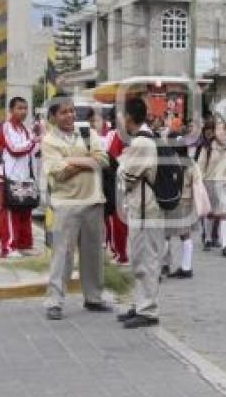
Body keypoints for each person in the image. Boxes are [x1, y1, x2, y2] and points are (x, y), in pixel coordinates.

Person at [41, 93, 111, 321]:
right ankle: (54, 301)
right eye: (64, 112)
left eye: (71, 110)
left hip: (93, 201)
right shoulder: (49, 141)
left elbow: (103, 160)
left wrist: (72, 160)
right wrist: (86, 160)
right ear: (53, 116)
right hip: (66, 205)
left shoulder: (87, 133)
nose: (70, 115)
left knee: (93, 254)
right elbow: (59, 173)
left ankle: (93, 298)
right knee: (63, 254)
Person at [115, 98, 163, 329]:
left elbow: (127, 176)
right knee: (138, 258)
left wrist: (122, 164)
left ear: (130, 117)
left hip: (146, 208)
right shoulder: (144, 139)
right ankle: (140, 303)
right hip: (142, 207)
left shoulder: (142, 143)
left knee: (146, 259)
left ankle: (148, 310)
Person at [0, 97, 40, 258]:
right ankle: (8, 247)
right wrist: (32, 142)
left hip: (25, 177)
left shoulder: (25, 129)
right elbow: (14, 149)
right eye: (19, 108)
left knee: (25, 211)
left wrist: (39, 141)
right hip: (9, 177)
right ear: (11, 110)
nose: (23, 111)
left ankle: (24, 244)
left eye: (25, 108)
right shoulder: (6, 127)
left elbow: (33, 151)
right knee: (9, 212)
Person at [197, 117, 226, 257]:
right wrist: (199, 183)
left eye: (224, 130)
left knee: (225, 213)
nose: (222, 132)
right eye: (219, 129)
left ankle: (225, 245)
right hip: (210, 182)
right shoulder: (207, 147)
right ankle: (208, 238)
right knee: (211, 214)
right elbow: (200, 167)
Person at [163, 140, 203, 279]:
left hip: (171, 201)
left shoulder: (168, 162)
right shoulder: (191, 163)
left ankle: (163, 265)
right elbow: (197, 181)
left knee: (165, 234)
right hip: (187, 202)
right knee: (185, 235)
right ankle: (187, 267)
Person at [104, 108, 129, 265]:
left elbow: (118, 157)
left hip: (120, 180)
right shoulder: (112, 134)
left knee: (118, 219)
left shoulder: (124, 135)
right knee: (113, 219)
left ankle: (121, 254)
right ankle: (116, 251)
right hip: (113, 179)